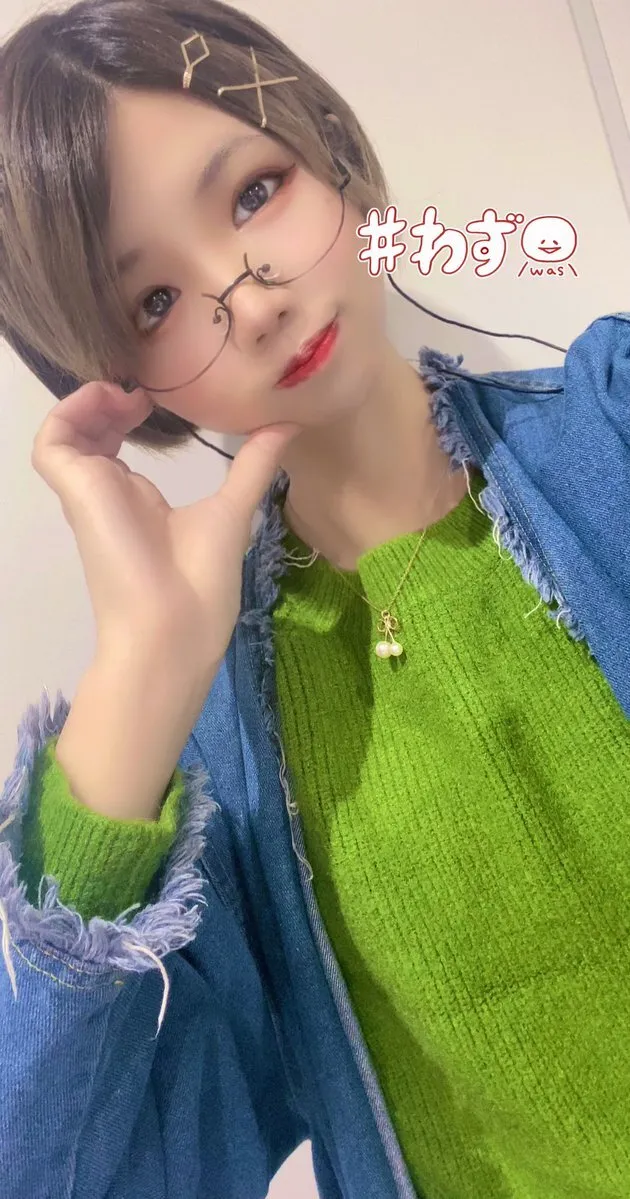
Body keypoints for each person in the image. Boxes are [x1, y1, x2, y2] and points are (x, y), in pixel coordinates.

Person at [1, 1, 629, 1196]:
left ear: (329, 145)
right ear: (119, 381)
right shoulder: (223, 757)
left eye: (253, 193)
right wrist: (139, 679)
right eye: (154, 303)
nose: (251, 301)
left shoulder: (616, 427)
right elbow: (72, 1172)